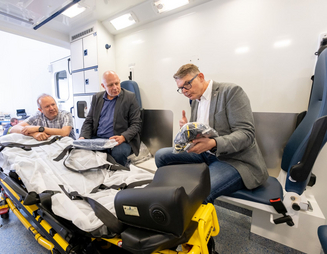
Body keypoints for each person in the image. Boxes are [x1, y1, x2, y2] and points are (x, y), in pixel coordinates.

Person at [155, 64, 268, 204]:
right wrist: (186, 129)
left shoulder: (231, 92)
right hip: (206, 154)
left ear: (201, 77)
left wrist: (214, 143)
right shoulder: (195, 100)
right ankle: (173, 196)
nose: (184, 91)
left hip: (234, 160)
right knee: (161, 156)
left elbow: (246, 134)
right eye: (181, 88)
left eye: (187, 85)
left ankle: (187, 211)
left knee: (199, 192)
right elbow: (200, 131)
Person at [79, 70, 142, 166]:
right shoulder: (97, 98)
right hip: (99, 138)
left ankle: (119, 175)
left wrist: (123, 137)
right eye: (110, 85)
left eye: (117, 83)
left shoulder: (130, 98)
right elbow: (89, 121)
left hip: (120, 140)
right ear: (103, 86)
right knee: (82, 152)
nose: (115, 87)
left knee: (118, 154)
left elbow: (136, 124)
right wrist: (83, 137)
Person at [10, 94, 75, 141]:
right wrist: (34, 134)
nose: (52, 108)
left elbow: (64, 133)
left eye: (53, 104)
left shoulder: (65, 115)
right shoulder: (37, 116)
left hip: (66, 147)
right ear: (40, 110)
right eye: (47, 106)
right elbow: (13, 129)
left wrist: (39, 129)